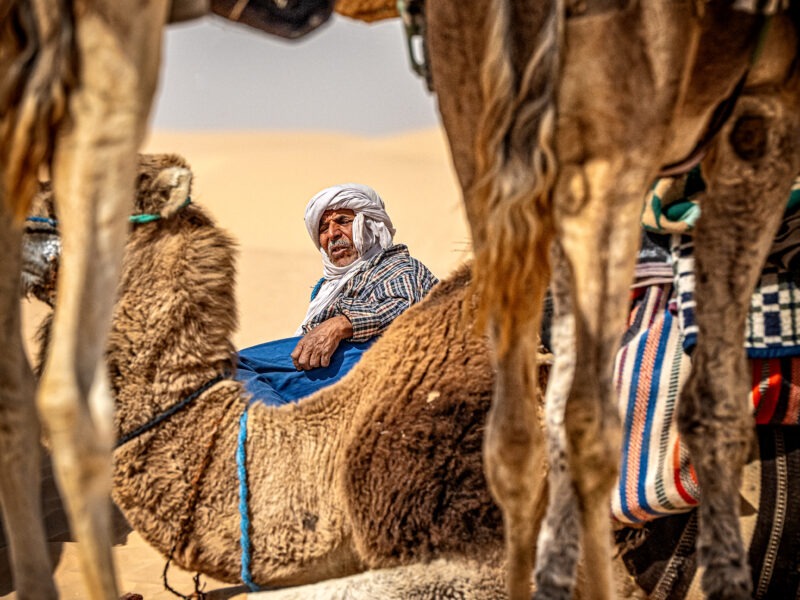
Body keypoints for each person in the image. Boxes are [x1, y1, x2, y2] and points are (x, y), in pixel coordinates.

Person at [235, 183, 438, 405]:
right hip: (328, 367)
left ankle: (273, 430)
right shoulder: (328, 288)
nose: (332, 234)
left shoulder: (397, 265)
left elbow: (403, 307)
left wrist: (342, 323)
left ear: (370, 224)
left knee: (235, 365)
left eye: (343, 221)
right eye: (323, 228)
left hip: (370, 361)